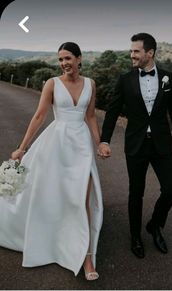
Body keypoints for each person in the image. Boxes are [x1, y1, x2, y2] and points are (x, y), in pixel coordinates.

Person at [0, 42, 103, 280]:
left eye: (68, 58)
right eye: (60, 60)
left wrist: (100, 144)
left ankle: (87, 257)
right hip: (57, 144)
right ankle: (53, 239)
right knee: (53, 195)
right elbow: (39, 116)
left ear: (79, 59)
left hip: (82, 147)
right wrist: (22, 148)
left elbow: (90, 116)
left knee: (83, 199)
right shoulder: (52, 84)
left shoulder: (91, 84)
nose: (64, 63)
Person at [98, 33, 172, 258]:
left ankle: (155, 225)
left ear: (150, 53)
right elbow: (112, 112)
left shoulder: (169, 78)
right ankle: (135, 237)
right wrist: (105, 140)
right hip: (136, 145)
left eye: (136, 51)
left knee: (170, 191)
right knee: (135, 193)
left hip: (162, 145)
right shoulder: (125, 79)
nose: (132, 55)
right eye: (131, 51)